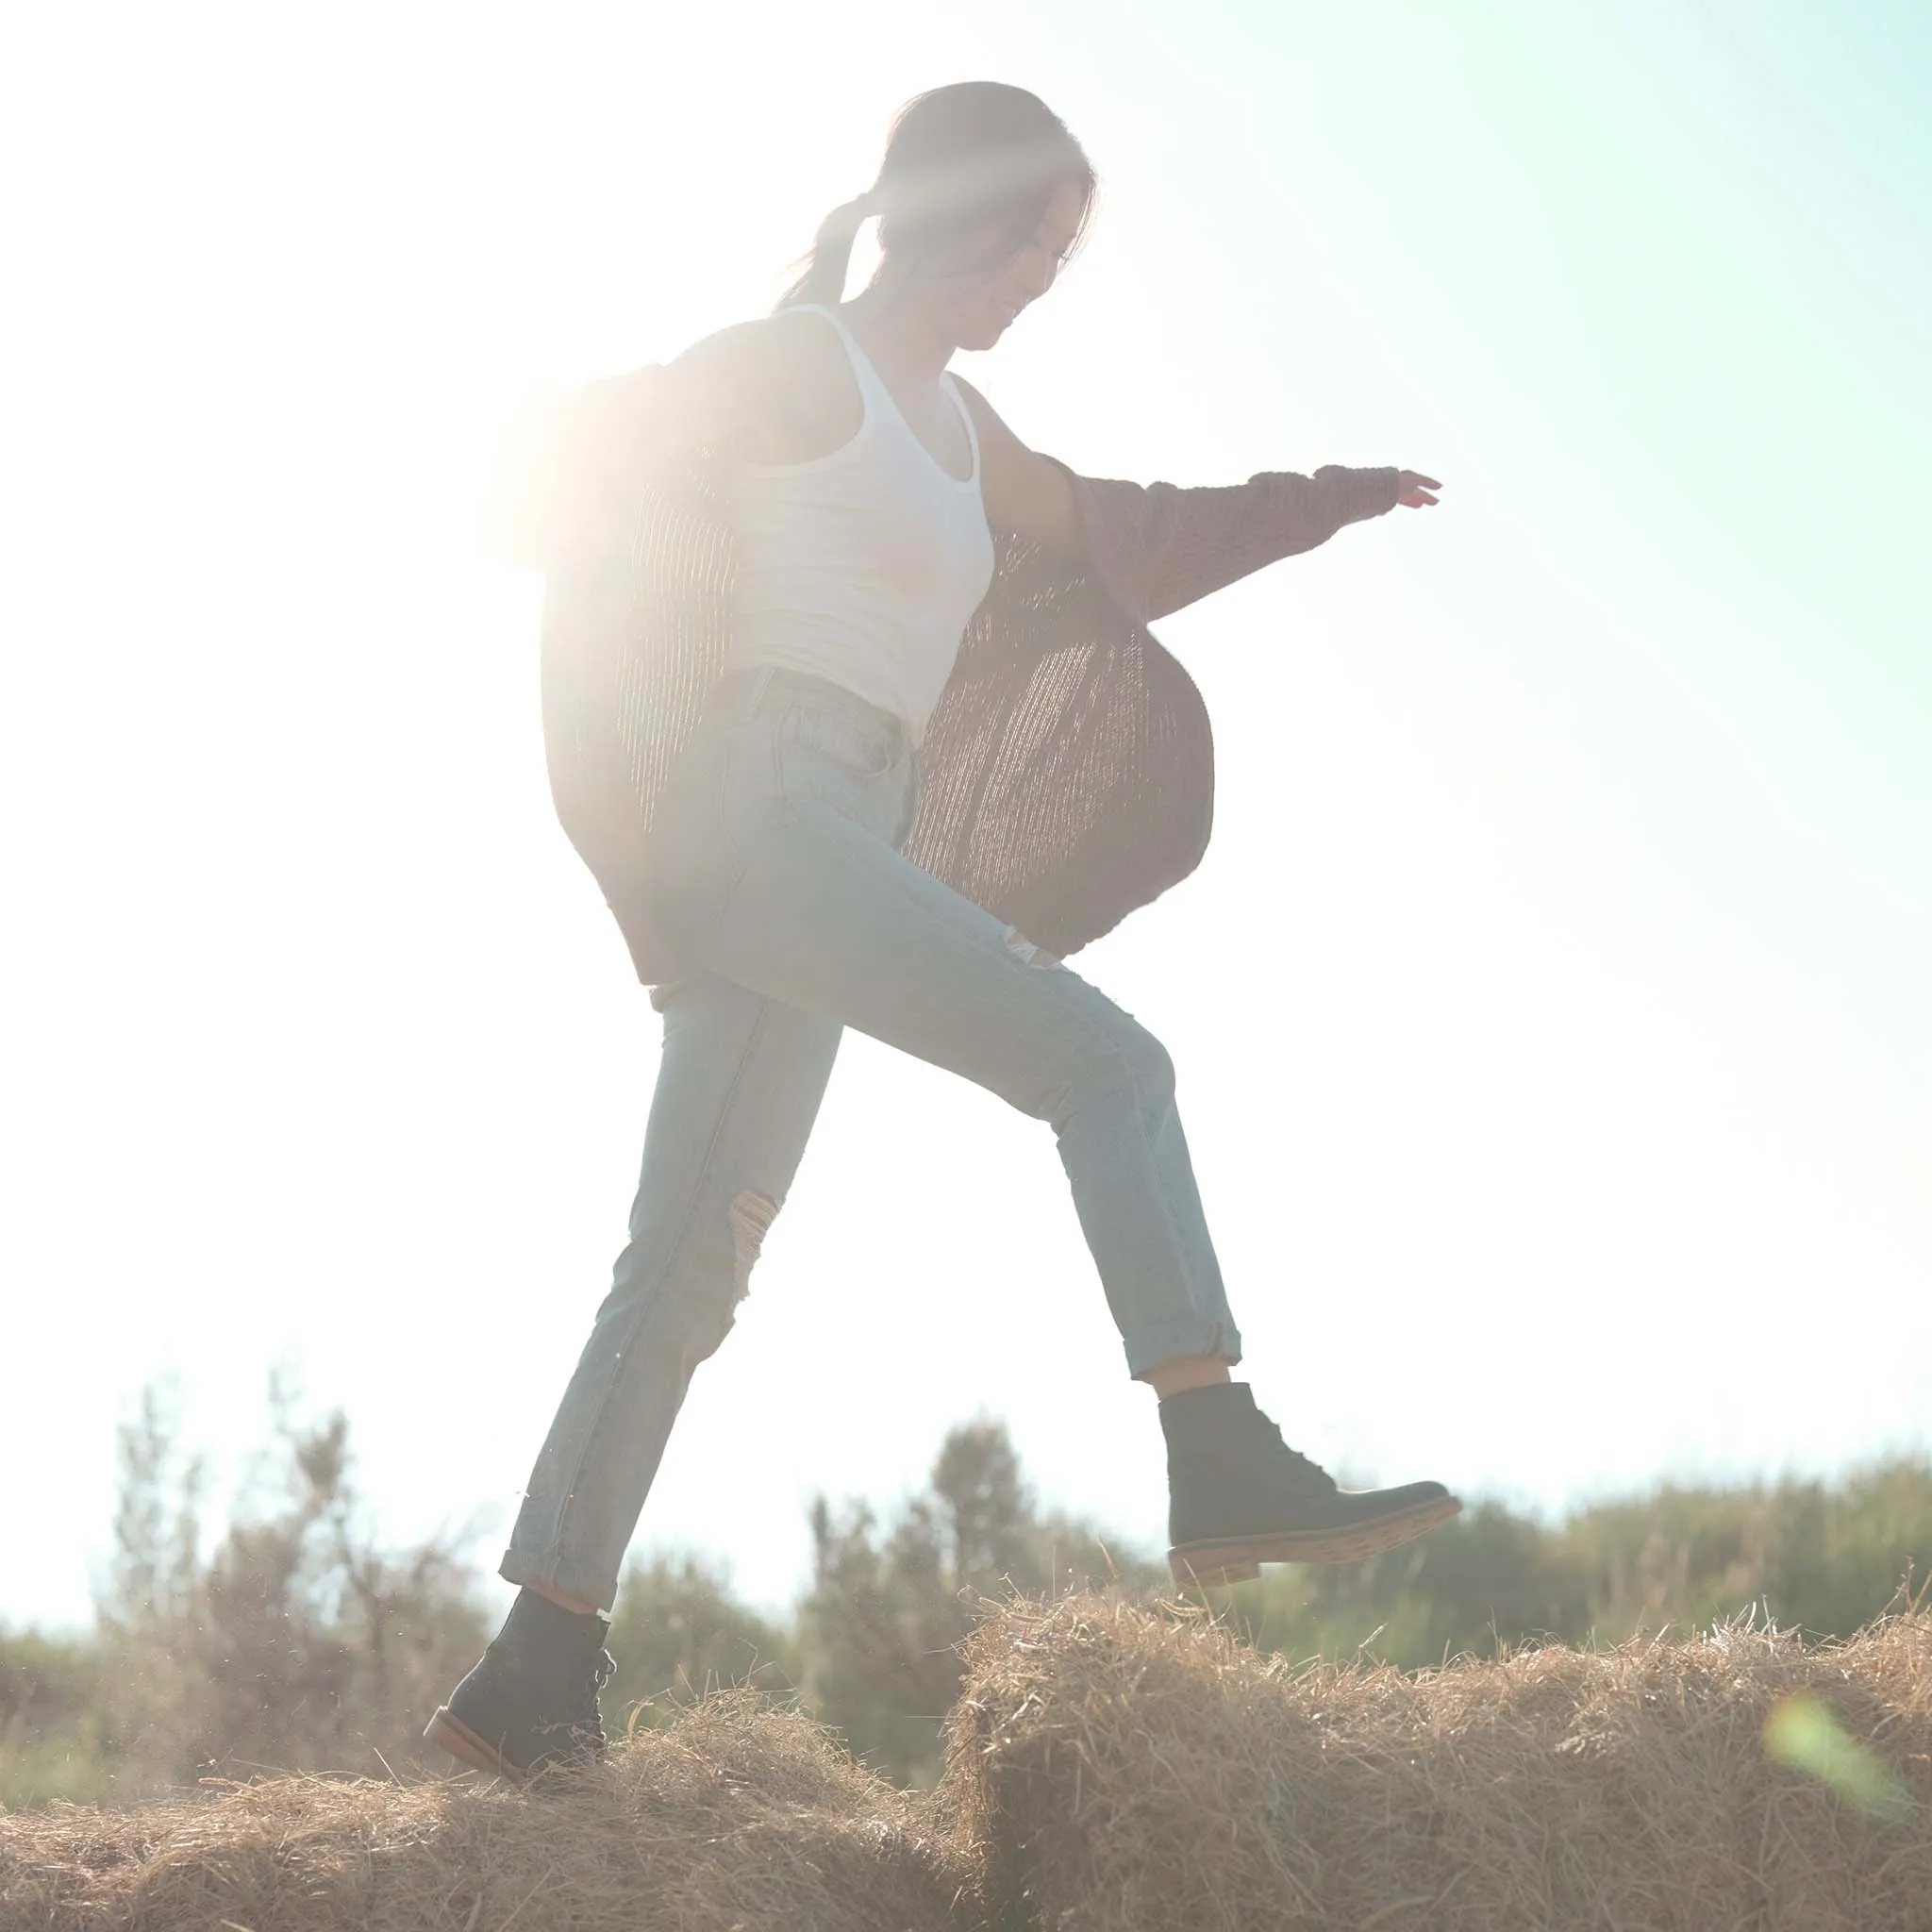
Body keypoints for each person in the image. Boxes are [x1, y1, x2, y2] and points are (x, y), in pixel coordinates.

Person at [428, 80, 1457, 1782]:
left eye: (1059, 256)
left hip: (841, 833)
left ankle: (532, 1667)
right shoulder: (800, 365)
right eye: (1033, 244)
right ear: (961, 215)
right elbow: (589, 448)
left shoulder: (967, 435)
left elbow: (1135, 530)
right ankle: (1215, 1439)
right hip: (765, 811)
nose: (1042, 280)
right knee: (1109, 1067)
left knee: (684, 1273)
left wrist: (1327, 494)